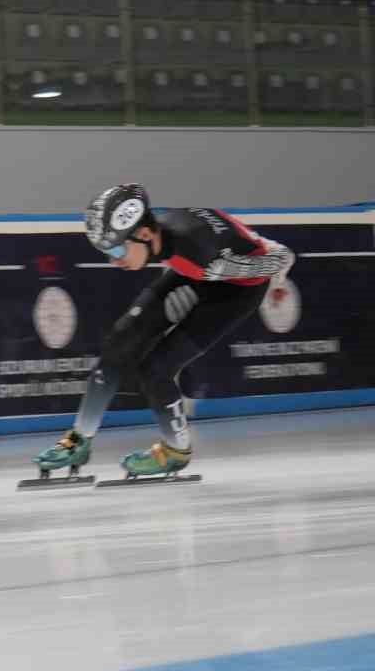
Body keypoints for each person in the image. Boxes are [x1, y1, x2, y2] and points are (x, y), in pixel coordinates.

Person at [33, 183, 295, 481]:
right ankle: (79, 441)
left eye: (116, 249)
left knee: (156, 370)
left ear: (144, 234)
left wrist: (278, 282)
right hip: (194, 272)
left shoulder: (204, 256)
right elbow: (230, 230)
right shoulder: (170, 234)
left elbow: (278, 257)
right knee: (120, 342)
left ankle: (176, 452)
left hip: (231, 293)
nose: (113, 260)